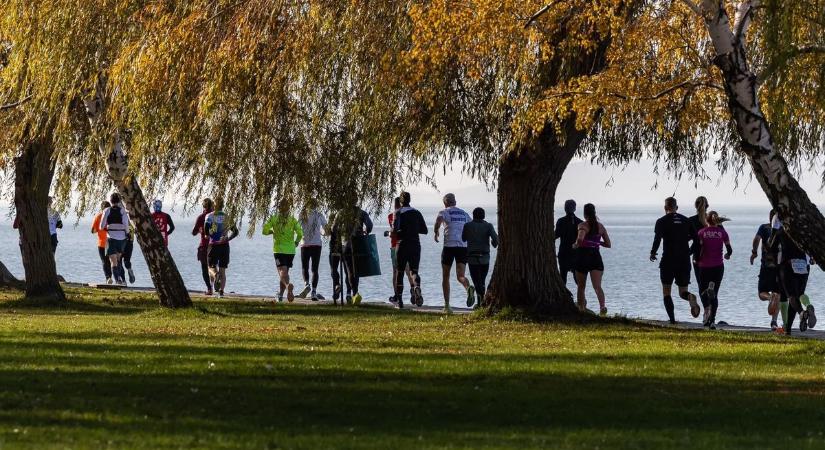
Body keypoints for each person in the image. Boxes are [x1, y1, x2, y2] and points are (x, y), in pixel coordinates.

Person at [650, 197, 700, 324]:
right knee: (682, 291)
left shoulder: (661, 221)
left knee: (667, 291)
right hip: (684, 261)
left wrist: (653, 252)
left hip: (668, 260)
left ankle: (672, 320)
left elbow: (657, 239)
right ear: (676, 207)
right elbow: (697, 240)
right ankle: (690, 297)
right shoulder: (686, 220)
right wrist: (689, 252)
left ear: (665, 208)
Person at [770, 213, 817, 335]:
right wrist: (812, 258)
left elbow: (772, 246)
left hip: (787, 265)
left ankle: (801, 313)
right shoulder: (804, 232)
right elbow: (812, 247)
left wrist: (775, 261)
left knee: (790, 296)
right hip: (803, 266)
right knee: (799, 294)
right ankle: (788, 329)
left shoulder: (782, 230)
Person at [434, 193, 473, 312]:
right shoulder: (464, 213)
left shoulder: (444, 212)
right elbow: (470, 225)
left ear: (445, 203)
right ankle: (468, 288)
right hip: (462, 246)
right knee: (460, 275)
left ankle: (447, 306)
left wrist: (436, 232)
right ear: (455, 202)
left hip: (449, 246)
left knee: (446, 276)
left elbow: (438, 220)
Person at [695, 211, 732, 330]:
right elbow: (729, 250)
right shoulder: (722, 233)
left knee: (702, 290)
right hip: (718, 267)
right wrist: (727, 255)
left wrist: (696, 259)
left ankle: (706, 304)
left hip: (704, 266)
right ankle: (712, 321)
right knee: (715, 295)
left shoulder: (701, 232)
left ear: (706, 220)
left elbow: (698, 249)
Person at [574, 203, 611, 316]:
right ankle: (602, 307)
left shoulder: (582, 225)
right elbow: (608, 244)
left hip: (583, 257)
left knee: (581, 286)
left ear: (585, 214)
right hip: (596, 257)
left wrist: (575, 245)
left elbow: (580, 239)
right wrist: (596, 242)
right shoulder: (601, 227)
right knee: (597, 286)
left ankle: (581, 309)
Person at [262, 201, 303, 302]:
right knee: (285, 273)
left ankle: (288, 285)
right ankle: (281, 295)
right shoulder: (292, 219)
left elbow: (264, 231)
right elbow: (300, 233)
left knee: (281, 272)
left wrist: (271, 231)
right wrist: (296, 242)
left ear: (279, 208)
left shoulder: (274, 218)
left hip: (279, 250)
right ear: (289, 208)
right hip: (290, 251)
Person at [392, 191, 427, 309]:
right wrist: (413, 229)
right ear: (409, 200)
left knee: (400, 272)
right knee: (414, 272)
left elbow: (395, 230)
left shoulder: (398, 212)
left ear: (401, 201)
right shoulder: (417, 212)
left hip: (402, 245)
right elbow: (425, 230)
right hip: (415, 245)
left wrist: (394, 232)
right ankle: (416, 287)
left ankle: (400, 301)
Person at [750, 210, 783, 331]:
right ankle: (774, 322)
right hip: (780, 267)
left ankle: (769, 299)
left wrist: (754, 253)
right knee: (778, 294)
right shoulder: (784, 229)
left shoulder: (763, 227)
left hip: (766, 266)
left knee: (762, 292)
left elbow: (756, 240)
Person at [462, 207, 498, 308]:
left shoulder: (467, 225)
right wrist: (493, 243)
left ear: (473, 215)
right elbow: (496, 239)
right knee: (482, 280)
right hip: (484, 257)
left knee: (476, 280)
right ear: (484, 216)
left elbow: (463, 239)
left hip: (472, 258)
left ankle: (480, 302)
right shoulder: (488, 226)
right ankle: (481, 302)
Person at [204, 198, 239, 297]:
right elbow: (235, 231)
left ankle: (215, 275)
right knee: (223, 269)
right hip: (224, 245)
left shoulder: (210, 216)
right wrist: (228, 239)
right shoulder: (227, 217)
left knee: (210, 267)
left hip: (213, 245)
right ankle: (221, 292)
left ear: (214, 206)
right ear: (223, 206)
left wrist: (207, 235)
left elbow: (206, 228)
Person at [386, 197, 414, 306]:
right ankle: (413, 289)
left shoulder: (392, 216)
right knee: (409, 271)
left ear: (395, 205)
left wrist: (388, 233)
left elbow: (394, 231)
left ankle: (397, 296)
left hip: (396, 246)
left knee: (396, 272)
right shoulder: (410, 215)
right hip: (409, 245)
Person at [342, 205, 373, 305]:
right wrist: (366, 232)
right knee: (357, 271)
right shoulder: (362, 213)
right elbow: (369, 225)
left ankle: (354, 294)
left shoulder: (343, 212)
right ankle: (354, 294)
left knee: (350, 270)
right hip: (358, 244)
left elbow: (334, 228)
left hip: (346, 243)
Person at [298, 204, 328, 301]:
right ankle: (314, 292)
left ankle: (307, 284)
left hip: (305, 243)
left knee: (304, 267)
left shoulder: (302, 214)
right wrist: (322, 233)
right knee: (315, 269)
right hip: (316, 245)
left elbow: (297, 228)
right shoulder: (319, 214)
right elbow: (326, 230)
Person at [100, 193, 130, 285]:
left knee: (113, 261)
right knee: (118, 259)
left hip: (111, 238)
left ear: (111, 201)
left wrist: (107, 227)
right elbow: (126, 225)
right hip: (122, 238)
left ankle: (118, 280)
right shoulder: (122, 211)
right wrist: (127, 233)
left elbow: (101, 226)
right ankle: (121, 278)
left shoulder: (107, 210)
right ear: (119, 201)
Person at [324, 213, 352, 305]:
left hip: (333, 249)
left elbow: (327, 233)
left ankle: (337, 285)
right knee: (347, 271)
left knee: (334, 269)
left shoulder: (332, 222)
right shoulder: (345, 222)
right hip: (344, 248)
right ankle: (348, 293)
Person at [555, 200, 583, 284]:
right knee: (578, 280)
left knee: (563, 277)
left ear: (565, 209)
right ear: (574, 209)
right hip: (576, 254)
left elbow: (555, 235)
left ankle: (562, 296)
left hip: (564, 253)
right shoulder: (580, 222)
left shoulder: (561, 221)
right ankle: (581, 297)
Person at [192, 198, 215, 295]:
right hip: (215, 245)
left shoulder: (201, 217)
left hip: (204, 245)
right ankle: (215, 284)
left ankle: (209, 289)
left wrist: (200, 231)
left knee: (204, 268)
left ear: (203, 206)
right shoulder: (215, 216)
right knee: (213, 267)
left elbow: (193, 232)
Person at [91, 201, 113, 283]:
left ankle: (108, 278)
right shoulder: (113, 216)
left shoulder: (98, 216)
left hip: (101, 243)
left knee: (104, 261)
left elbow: (93, 231)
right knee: (111, 260)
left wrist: (99, 229)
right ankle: (114, 277)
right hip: (111, 241)